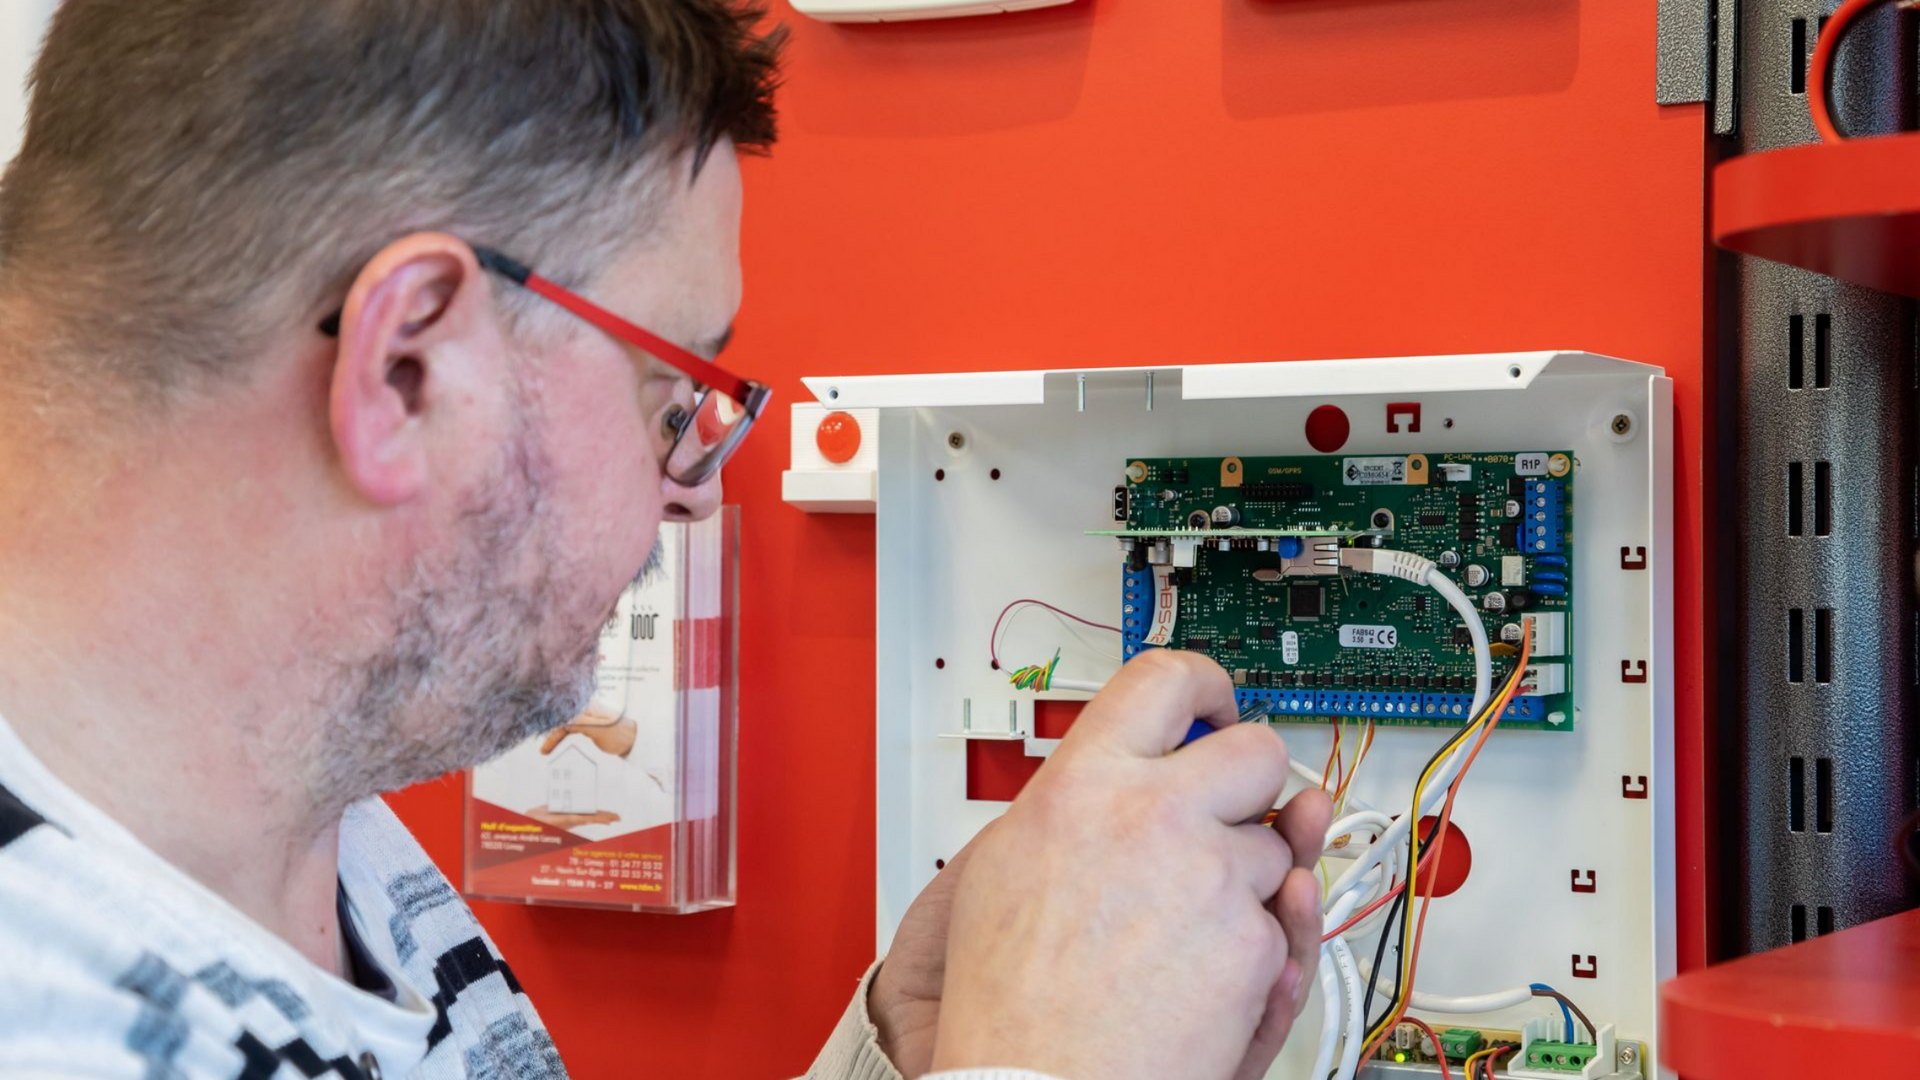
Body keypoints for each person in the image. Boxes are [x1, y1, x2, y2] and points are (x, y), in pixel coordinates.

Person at [0, 2, 1331, 1079]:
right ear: (408, 366)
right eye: (670, 392)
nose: (689, 490)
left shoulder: (289, 813)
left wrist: (912, 1058)